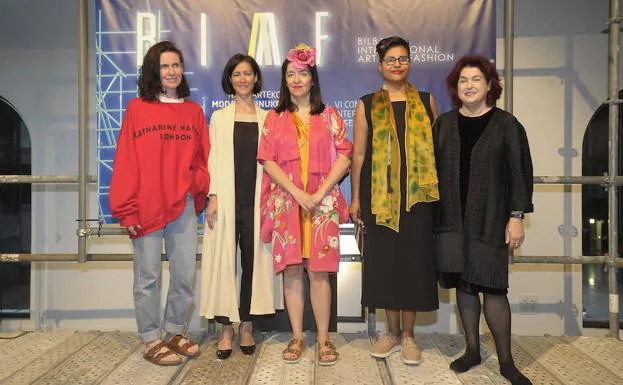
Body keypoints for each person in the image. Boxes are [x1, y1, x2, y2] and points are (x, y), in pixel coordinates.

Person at [433, 54, 534, 385]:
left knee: (492, 287)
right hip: (450, 221)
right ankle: (472, 350)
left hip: (490, 221)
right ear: (455, 88)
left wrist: (516, 216)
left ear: (490, 85)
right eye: (463, 80)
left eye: (476, 79)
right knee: (464, 285)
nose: (469, 85)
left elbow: (520, 174)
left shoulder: (507, 125)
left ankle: (506, 362)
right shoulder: (444, 124)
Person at [109, 40, 210, 366]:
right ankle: (151, 338)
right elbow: (125, 159)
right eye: (165, 66)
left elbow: (202, 159)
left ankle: (173, 331)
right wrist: (126, 209)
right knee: (148, 278)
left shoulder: (193, 111)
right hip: (146, 207)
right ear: (155, 70)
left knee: (184, 276)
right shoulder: (137, 108)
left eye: (176, 65)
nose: (172, 71)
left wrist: (195, 186)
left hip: (182, 207)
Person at [257, 43, 353, 366]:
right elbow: (267, 161)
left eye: (302, 73)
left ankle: (323, 338)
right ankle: (297, 336)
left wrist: (320, 191)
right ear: (284, 81)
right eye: (290, 74)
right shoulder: (274, 118)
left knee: (320, 273)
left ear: (313, 78)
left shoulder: (330, 115)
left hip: (322, 204)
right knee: (293, 270)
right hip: (287, 202)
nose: (296, 79)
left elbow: (345, 155)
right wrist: (298, 194)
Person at [350, 36, 440, 365]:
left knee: (414, 265)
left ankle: (408, 336)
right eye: (391, 59)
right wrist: (356, 198)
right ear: (380, 65)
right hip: (380, 198)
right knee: (386, 265)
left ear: (410, 63)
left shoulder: (427, 102)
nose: (397, 64)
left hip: (418, 200)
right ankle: (389, 332)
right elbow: (358, 155)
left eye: (403, 58)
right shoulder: (367, 104)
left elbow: (437, 154)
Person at [199, 54, 281, 359]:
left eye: (248, 73)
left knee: (253, 264)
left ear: (256, 78)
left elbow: (274, 162)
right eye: (237, 74)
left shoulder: (268, 118)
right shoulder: (219, 118)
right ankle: (226, 328)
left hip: (257, 202)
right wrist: (213, 196)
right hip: (226, 201)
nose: (243, 79)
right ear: (229, 80)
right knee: (223, 263)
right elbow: (212, 159)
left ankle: (246, 325)